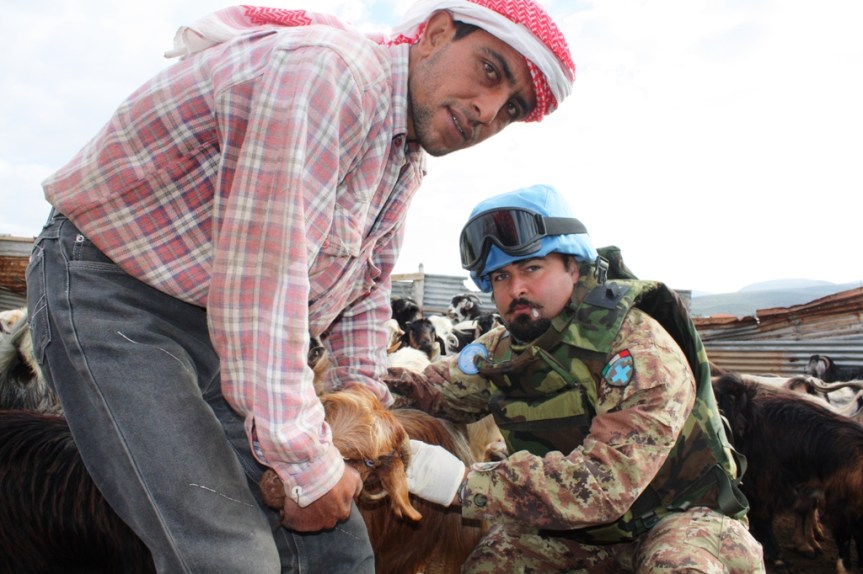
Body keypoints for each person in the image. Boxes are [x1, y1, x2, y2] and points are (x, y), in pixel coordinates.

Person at [25, 2, 575, 573]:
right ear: (436, 34)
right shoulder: (327, 75)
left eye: (512, 107)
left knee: (340, 550)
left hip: (213, 327)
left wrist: (363, 428)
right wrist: (307, 470)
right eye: (489, 70)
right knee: (228, 554)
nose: (488, 111)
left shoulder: (401, 157)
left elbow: (365, 295)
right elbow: (263, 287)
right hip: (114, 296)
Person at [387, 184, 767, 573]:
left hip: (683, 520)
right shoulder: (506, 348)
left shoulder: (638, 347)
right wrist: (372, 386)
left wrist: (463, 484)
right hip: (583, 535)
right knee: (492, 565)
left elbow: (604, 482)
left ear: (574, 265)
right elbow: (441, 391)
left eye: (531, 268)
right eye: (500, 276)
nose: (516, 288)